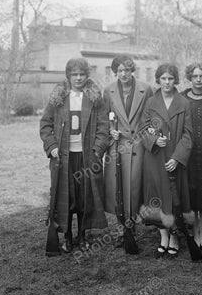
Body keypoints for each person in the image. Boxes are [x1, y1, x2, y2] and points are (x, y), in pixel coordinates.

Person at [40, 57, 109, 253]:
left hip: (87, 157)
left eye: (82, 74)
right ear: (68, 75)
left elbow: (104, 126)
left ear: (87, 76)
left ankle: (83, 235)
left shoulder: (95, 97)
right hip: (64, 157)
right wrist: (52, 146)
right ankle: (67, 236)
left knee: (84, 197)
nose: (78, 78)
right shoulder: (58, 97)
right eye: (74, 74)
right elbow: (45, 124)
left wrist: (97, 149)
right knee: (66, 197)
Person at [140, 63, 192, 258]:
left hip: (174, 159)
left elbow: (188, 135)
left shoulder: (184, 103)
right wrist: (154, 139)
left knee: (175, 197)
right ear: (158, 80)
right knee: (157, 197)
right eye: (163, 78)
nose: (167, 82)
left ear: (175, 80)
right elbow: (142, 129)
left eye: (171, 78)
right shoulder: (151, 103)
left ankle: (175, 236)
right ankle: (163, 236)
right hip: (155, 159)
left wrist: (178, 158)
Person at [103, 55, 153, 246]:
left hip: (139, 146)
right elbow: (103, 118)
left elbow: (151, 115)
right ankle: (121, 228)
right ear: (115, 71)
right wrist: (110, 130)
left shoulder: (146, 89)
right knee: (117, 188)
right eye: (119, 70)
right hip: (117, 147)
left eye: (127, 70)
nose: (123, 74)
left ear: (132, 70)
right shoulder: (108, 90)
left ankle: (131, 228)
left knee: (134, 187)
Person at [181, 62, 202, 251]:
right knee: (193, 192)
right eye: (195, 76)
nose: (199, 80)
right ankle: (194, 232)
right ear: (190, 78)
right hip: (189, 153)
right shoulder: (183, 98)